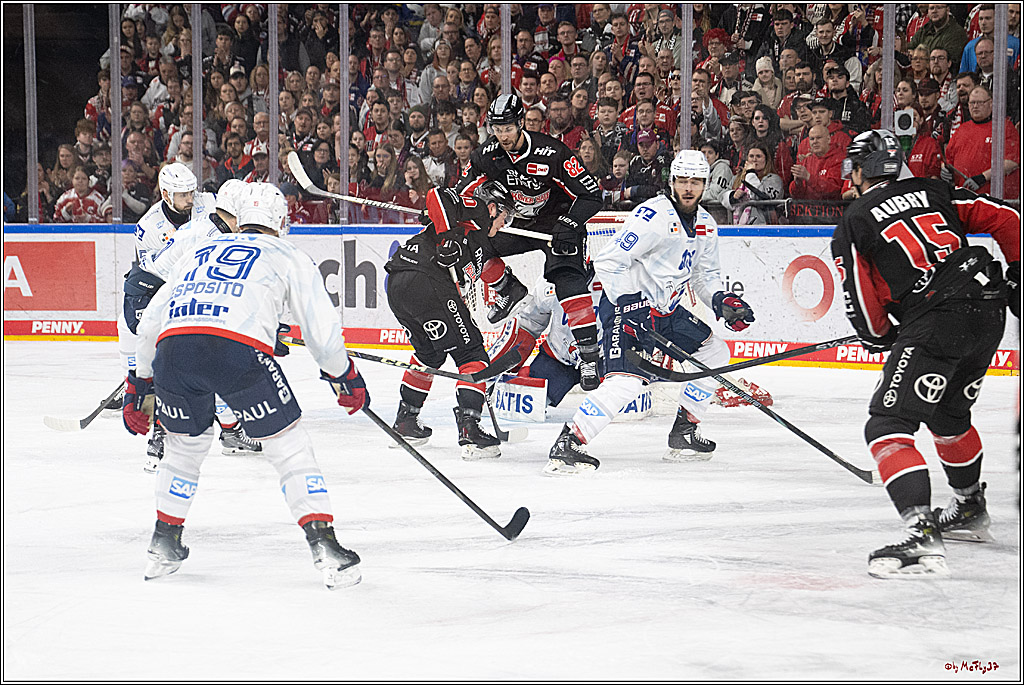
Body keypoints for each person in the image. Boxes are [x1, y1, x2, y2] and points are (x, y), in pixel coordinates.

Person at [125, 183, 366, 590]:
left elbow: (151, 322)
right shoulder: (289, 255)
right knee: (288, 446)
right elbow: (322, 335)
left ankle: (163, 543)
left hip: (174, 349)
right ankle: (325, 547)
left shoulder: (201, 249)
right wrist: (343, 376)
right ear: (282, 221)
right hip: (236, 353)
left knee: (183, 449)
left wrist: (140, 383)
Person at [831, 129, 1020, 578]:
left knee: (887, 426)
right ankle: (969, 508)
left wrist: (879, 336)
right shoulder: (934, 190)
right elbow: (1008, 218)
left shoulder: (855, 219)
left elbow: (863, 301)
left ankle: (920, 534)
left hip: (939, 321)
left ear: (860, 171)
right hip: (987, 311)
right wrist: (1018, 272)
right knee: (948, 415)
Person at [544, 150, 756, 476]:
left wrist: (721, 300)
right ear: (672, 181)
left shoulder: (706, 226)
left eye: (695, 181)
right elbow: (609, 261)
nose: (688, 188)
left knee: (715, 352)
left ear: (705, 184)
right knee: (626, 383)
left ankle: (685, 431)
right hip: (624, 308)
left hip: (664, 312)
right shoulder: (653, 216)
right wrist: (630, 302)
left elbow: (704, 277)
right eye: (682, 180)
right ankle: (570, 442)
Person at [455, 94, 605, 391]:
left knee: (567, 280)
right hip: (518, 223)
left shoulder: (553, 152)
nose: (503, 136)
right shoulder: (487, 154)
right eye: (497, 129)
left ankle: (589, 356)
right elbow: (463, 189)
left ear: (521, 123)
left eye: (508, 128)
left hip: (558, 224)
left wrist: (571, 223)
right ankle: (507, 288)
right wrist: (441, 208)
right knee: (473, 245)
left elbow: (591, 195)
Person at [384, 182, 514, 458]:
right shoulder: (479, 211)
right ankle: (470, 430)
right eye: (505, 216)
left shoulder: (478, 241)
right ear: (493, 207)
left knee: (429, 355)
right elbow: (437, 194)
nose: (505, 224)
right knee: (472, 353)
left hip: (398, 282)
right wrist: (447, 238)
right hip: (425, 279)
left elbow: (487, 268)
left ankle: (406, 421)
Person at [944, 85, 1021, 199]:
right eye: (972, 103)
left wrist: (983, 177)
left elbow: (1012, 162)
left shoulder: (1004, 127)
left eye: (980, 102)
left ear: (991, 103)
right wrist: (945, 170)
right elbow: (949, 159)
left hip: (995, 199)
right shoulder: (961, 130)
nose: (975, 106)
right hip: (965, 198)